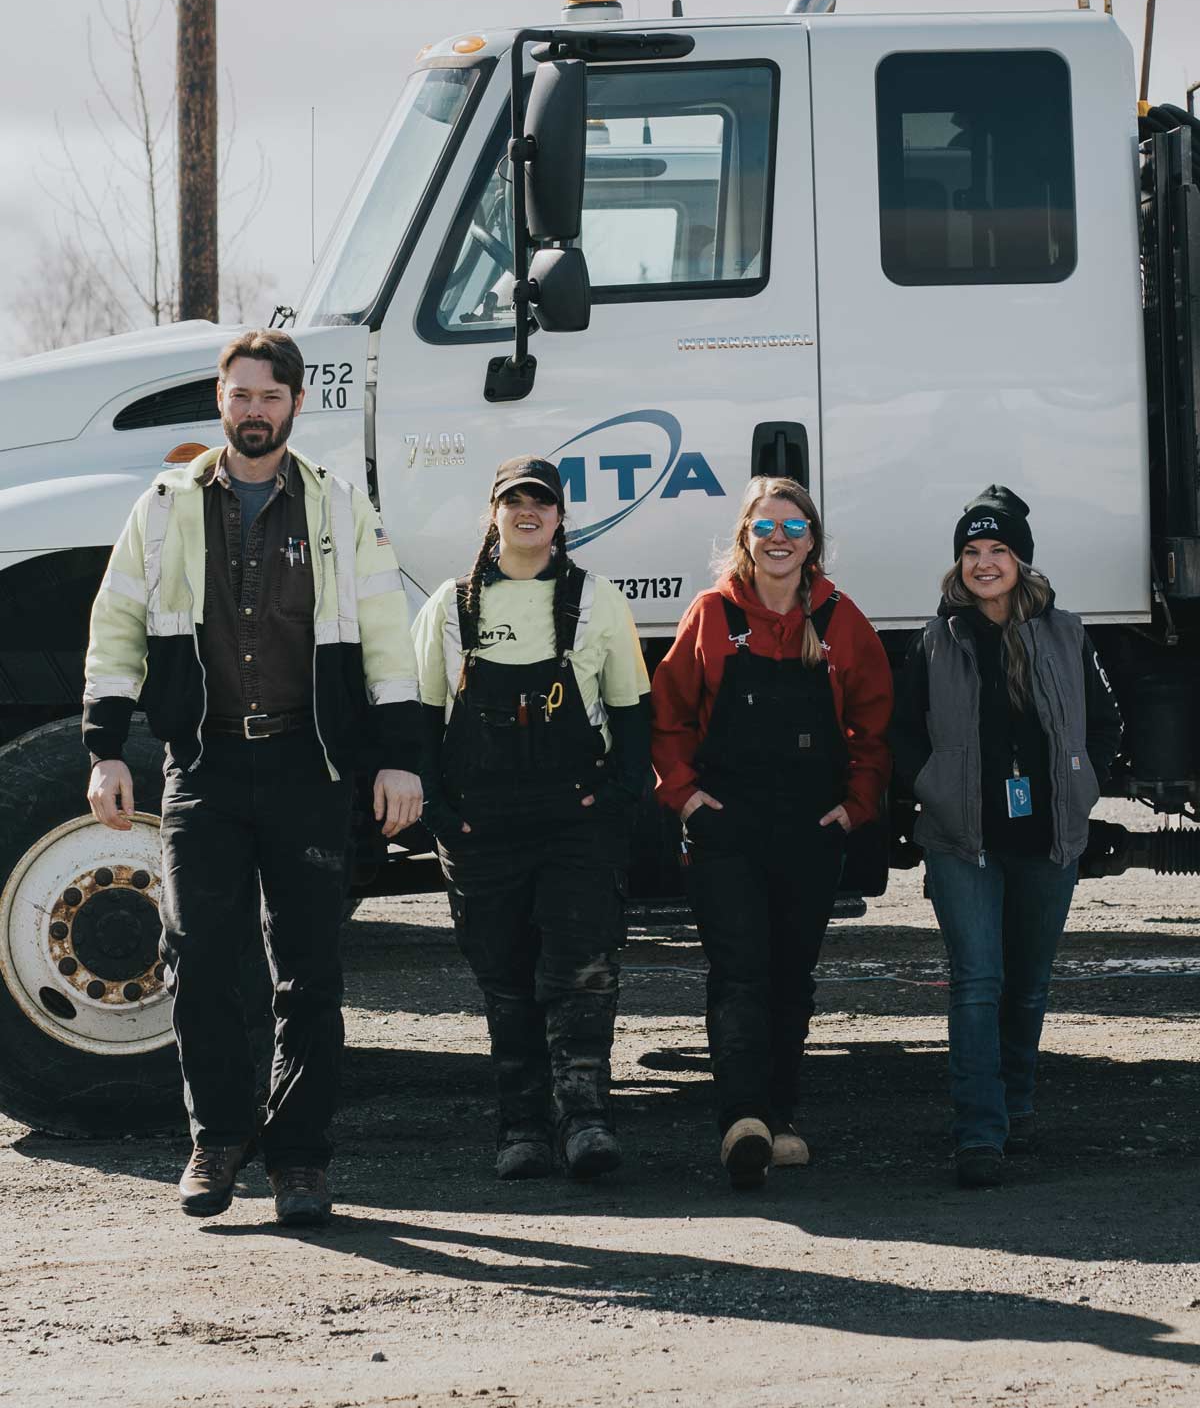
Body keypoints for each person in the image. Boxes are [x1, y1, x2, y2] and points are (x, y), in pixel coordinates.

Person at [83, 330, 422, 1227]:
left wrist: (397, 754)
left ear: (296, 404)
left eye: (270, 397)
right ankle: (218, 1141)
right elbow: (117, 622)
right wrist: (105, 746)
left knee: (308, 974)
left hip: (309, 768)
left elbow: (385, 631)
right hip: (204, 767)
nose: (253, 411)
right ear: (220, 402)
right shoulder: (162, 505)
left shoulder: (339, 505)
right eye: (239, 396)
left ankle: (302, 1161)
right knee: (201, 965)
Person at [650, 476, 893, 1189]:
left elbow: (875, 727)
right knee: (739, 971)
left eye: (792, 527)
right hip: (727, 831)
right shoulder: (712, 615)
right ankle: (742, 1120)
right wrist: (686, 797)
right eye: (765, 528)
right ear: (745, 540)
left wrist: (857, 805)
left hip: (810, 829)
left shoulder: (842, 620)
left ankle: (782, 1120)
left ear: (812, 540)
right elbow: (667, 718)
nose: (779, 539)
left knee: (792, 977)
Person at [413, 457, 650, 1182]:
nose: (527, 512)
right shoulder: (450, 607)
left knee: (582, 972)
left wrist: (614, 799)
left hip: (574, 824)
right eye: (513, 499)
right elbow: (422, 722)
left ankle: (586, 1121)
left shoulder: (596, 599)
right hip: (484, 831)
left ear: (558, 517)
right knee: (507, 982)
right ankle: (522, 1128)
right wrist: (442, 814)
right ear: (493, 513)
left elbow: (634, 716)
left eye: (541, 502)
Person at [891, 484, 1123, 1189]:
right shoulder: (937, 638)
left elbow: (1105, 723)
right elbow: (902, 732)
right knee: (977, 982)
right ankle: (979, 1133)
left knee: (1027, 984)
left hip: (1046, 838)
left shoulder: (1066, 631)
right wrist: (927, 786)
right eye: (971, 551)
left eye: (997, 550)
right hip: (965, 840)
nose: (983, 563)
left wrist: (1084, 785)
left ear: (1021, 559)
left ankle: (1016, 1108)